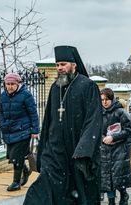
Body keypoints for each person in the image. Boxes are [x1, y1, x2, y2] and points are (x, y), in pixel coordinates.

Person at [23, 45, 102, 205]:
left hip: (76, 152)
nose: (60, 68)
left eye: (63, 64)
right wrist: (43, 149)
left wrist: (84, 150)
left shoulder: (87, 86)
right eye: (57, 65)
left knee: (79, 195)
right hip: (55, 153)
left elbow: (93, 121)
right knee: (40, 191)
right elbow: (48, 121)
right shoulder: (54, 88)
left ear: (74, 65)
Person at [0, 72, 39, 192]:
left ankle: (16, 183)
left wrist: (35, 130)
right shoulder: (3, 95)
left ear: (18, 84)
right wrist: (2, 124)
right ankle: (25, 170)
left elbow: (33, 113)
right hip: (9, 130)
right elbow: (1, 112)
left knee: (16, 156)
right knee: (11, 156)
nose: (10, 86)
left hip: (23, 130)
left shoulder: (26, 95)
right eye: (8, 84)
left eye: (12, 84)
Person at [100, 88, 131, 205]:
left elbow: (127, 131)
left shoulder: (121, 113)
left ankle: (124, 195)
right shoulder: (99, 113)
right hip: (104, 150)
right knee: (108, 179)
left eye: (107, 99)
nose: (104, 102)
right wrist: (102, 138)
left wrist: (114, 137)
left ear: (112, 99)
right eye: (102, 100)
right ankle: (111, 201)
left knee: (119, 176)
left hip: (119, 151)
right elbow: (95, 130)